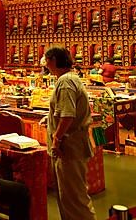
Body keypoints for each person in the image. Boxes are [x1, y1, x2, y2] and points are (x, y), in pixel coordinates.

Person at [44, 46, 97, 220]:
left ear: (52, 60)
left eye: (46, 60)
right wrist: (50, 117)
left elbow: (67, 115)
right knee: (66, 195)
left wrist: (57, 139)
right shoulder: (69, 79)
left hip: (69, 146)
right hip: (70, 144)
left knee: (74, 197)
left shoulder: (65, 81)